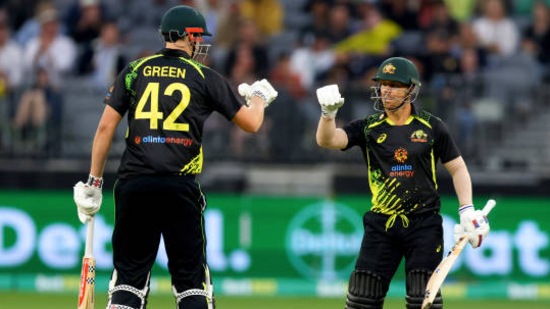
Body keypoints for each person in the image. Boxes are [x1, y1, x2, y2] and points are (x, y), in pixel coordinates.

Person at [72, 5, 278, 309]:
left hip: (134, 184)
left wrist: (94, 181)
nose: (200, 43)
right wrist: (259, 99)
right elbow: (251, 123)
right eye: (198, 37)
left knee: (128, 281)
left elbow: (104, 128)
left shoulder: (135, 70)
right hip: (179, 188)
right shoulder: (203, 76)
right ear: (189, 36)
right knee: (191, 285)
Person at [314, 56, 490, 309]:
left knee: (423, 301)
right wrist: (328, 115)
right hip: (381, 224)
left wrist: (466, 209)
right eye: (383, 83)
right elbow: (327, 140)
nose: (386, 90)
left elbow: (458, 167)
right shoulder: (368, 127)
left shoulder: (431, 126)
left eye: (394, 85)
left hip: (424, 225)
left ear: (411, 89)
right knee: (361, 300)